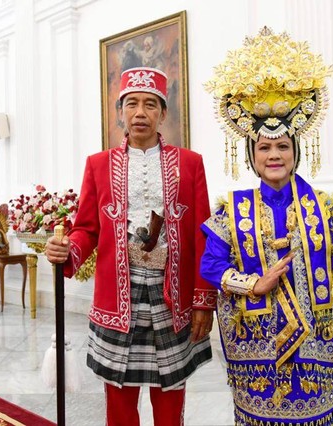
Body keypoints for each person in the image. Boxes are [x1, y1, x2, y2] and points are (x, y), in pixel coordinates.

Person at [200, 28, 333, 425]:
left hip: (317, 345)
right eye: (265, 147)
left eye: (283, 146)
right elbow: (210, 266)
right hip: (255, 347)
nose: (274, 155)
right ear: (252, 157)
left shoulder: (325, 208)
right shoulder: (230, 210)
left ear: (296, 152)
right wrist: (253, 284)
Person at [45, 66, 217, 426]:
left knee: (170, 395)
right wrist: (68, 251)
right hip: (118, 300)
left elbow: (204, 234)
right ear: (120, 111)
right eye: (133, 104)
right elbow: (87, 229)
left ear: (163, 113)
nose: (141, 113)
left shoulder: (190, 164)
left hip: (173, 297)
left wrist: (203, 302)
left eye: (151, 105)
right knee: (119, 398)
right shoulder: (98, 165)